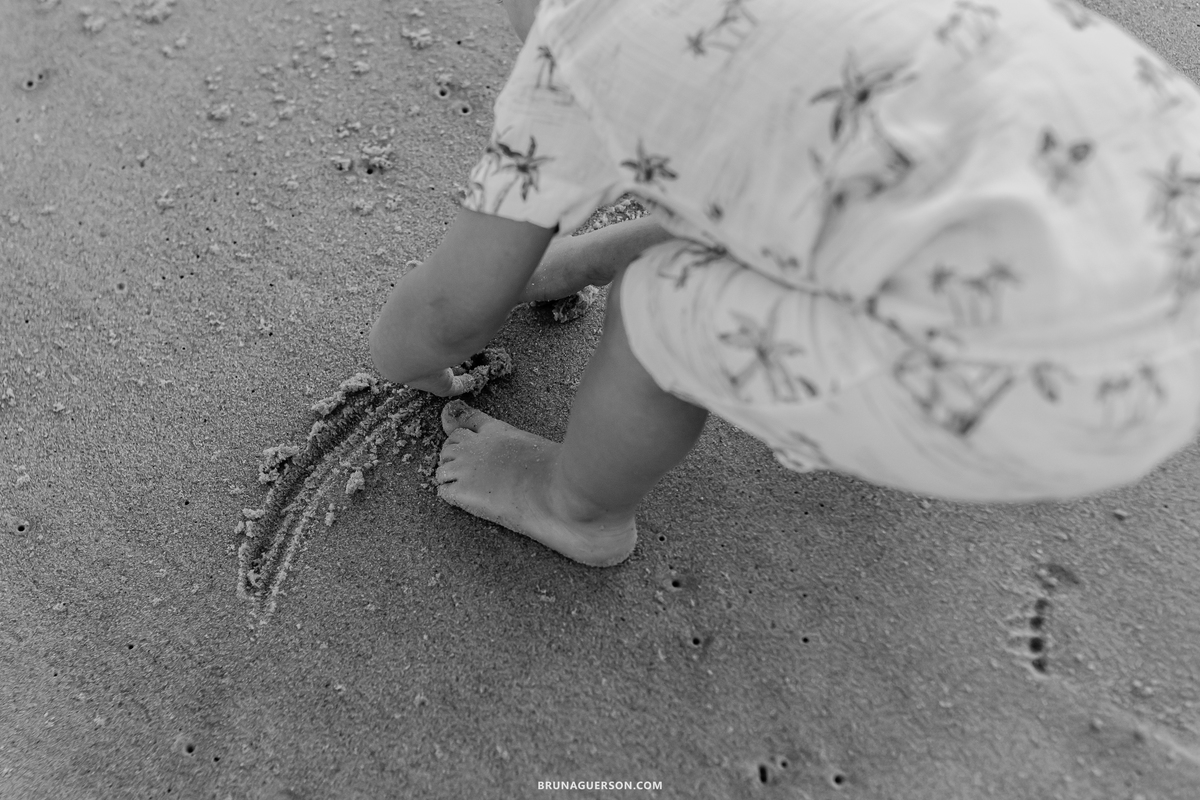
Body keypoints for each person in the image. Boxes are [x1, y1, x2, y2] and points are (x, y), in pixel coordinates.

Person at [370, 0, 1200, 567]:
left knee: (662, 302)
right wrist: (569, 260)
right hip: (1158, 232)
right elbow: (769, 186)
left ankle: (574, 508)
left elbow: (446, 314)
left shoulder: (584, 44)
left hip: (1039, 395)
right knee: (813, 176)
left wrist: (404, 359)